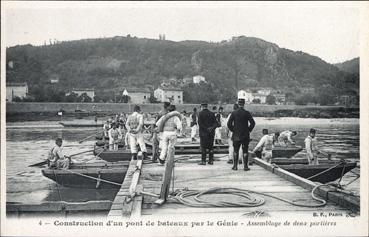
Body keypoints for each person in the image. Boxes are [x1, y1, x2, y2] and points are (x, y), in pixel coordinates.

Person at [227, 98, 255, 171]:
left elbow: (229, 124)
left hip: (236, 135)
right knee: (245, 150)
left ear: (238, 104)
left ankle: (235, 166)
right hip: (245, 135)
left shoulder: (234, 113)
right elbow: (253, 123)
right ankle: (245, 166)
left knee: (235, 150)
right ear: (244, 104)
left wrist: (233, 130)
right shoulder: (247, 113)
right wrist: (249, 130)